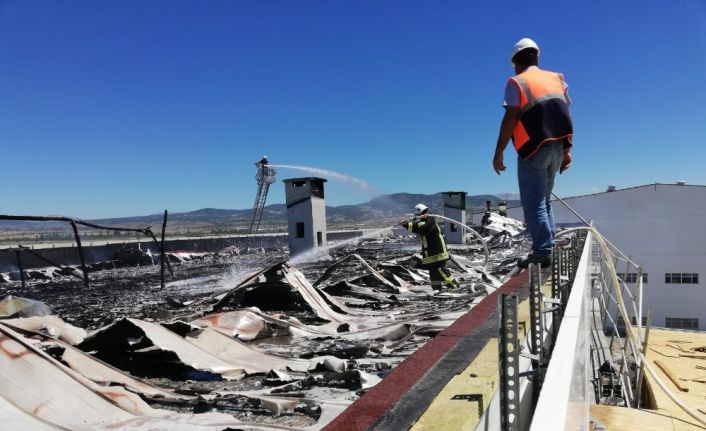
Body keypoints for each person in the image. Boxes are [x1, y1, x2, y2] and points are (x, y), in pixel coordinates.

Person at [492, 38, 574, 268]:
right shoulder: (557, 79)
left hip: (534, 149)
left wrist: (499, 152)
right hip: (558, 146)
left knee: (534, 204)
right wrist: (567, 150)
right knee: (544, 201)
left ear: (516, 62)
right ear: (537, 57)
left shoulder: (516, 82)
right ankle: (546, 245)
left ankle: (542, 251)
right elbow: (566, 115)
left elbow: (510, 118)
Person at [399, 204, 460, 290]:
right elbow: (415, 228)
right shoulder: (423, 222)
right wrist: (405, 224)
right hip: (431, 253)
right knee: (433, 272)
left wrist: (412, 222)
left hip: (437, 252)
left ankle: (454, 286)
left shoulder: (430, 220)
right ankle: (437, 289)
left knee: (440, 270)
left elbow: (422, 228)